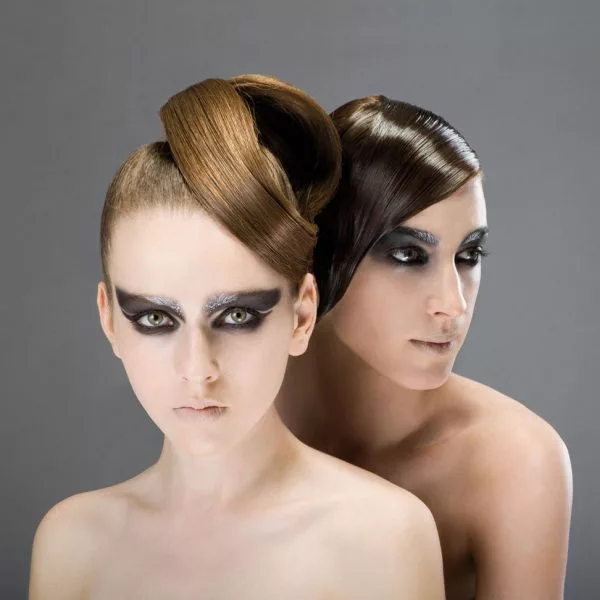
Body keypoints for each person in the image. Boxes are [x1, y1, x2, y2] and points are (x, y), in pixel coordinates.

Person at [28, 77, 445, 599]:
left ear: (302, 316)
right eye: (155, 319)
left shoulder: (384, 538)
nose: (198, 369)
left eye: (237, 316)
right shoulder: (71, 543)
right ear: (109, 320)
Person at [277, 95, 573, 600]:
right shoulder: (233, 413)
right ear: (322, 253)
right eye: (409, 255)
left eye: (469, 254)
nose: (453, 305)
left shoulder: (513, 462)